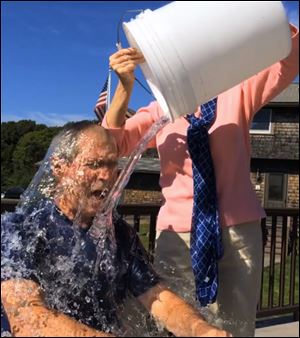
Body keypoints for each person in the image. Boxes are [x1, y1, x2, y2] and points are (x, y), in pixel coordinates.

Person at [102, 22, 299, 337]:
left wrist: (261, 15)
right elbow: (112, 144)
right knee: (179, 324)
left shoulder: (239, 91)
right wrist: (125, 85)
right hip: (176, 236)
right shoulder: (159, 110)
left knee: (237, 324)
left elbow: (290, 58)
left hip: (238, 231)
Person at [1, 121, 231, 337]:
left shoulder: (118, 234)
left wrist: (201, 329)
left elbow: (158, 298)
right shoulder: (20, 230)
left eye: (112, 164)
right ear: (60, 167)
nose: (107, 176)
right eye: (94, 164)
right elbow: (27, 319)